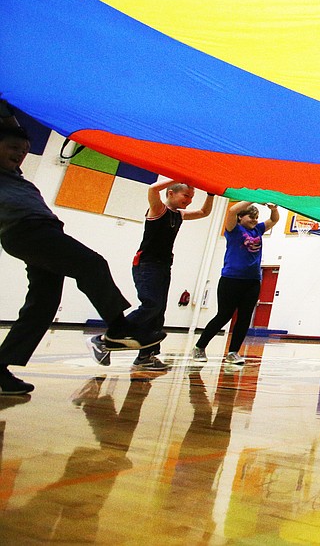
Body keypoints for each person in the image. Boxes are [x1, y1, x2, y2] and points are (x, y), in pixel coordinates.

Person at [0, 104, 164, 395]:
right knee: (92, 264)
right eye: (13, 147)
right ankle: (117, 328)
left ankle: (1, 369)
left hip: (42, 233)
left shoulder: (15, 175)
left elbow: (15, 134)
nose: (19, 153)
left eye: (24, 150)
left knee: (43, 303)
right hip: (27, 232)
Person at [92, 177, 215, 371]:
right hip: (147, 265)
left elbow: (204, 212)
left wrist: (211, 194)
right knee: (152, 305)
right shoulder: (158, 209)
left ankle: (145, 356)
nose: (189, 200)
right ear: (170, 193)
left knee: (158, 313)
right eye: (186, 195)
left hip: (163, 266)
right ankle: (105, 339)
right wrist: (177, 176)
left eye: (192, 196)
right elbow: (152, 189)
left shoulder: (179, 215)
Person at [192, 200, 279, 365]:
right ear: (240, 218)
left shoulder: (258, 230)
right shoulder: (233, 230)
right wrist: (251, 197)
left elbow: (274, 220)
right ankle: (199, 347)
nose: (254, 220)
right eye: (251, 217)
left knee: (245, 317)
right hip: (231, 279)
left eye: (256, 217)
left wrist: (274, 209)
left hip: (252, 281)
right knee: (224, 315)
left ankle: (233, 352)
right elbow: (231, 211)